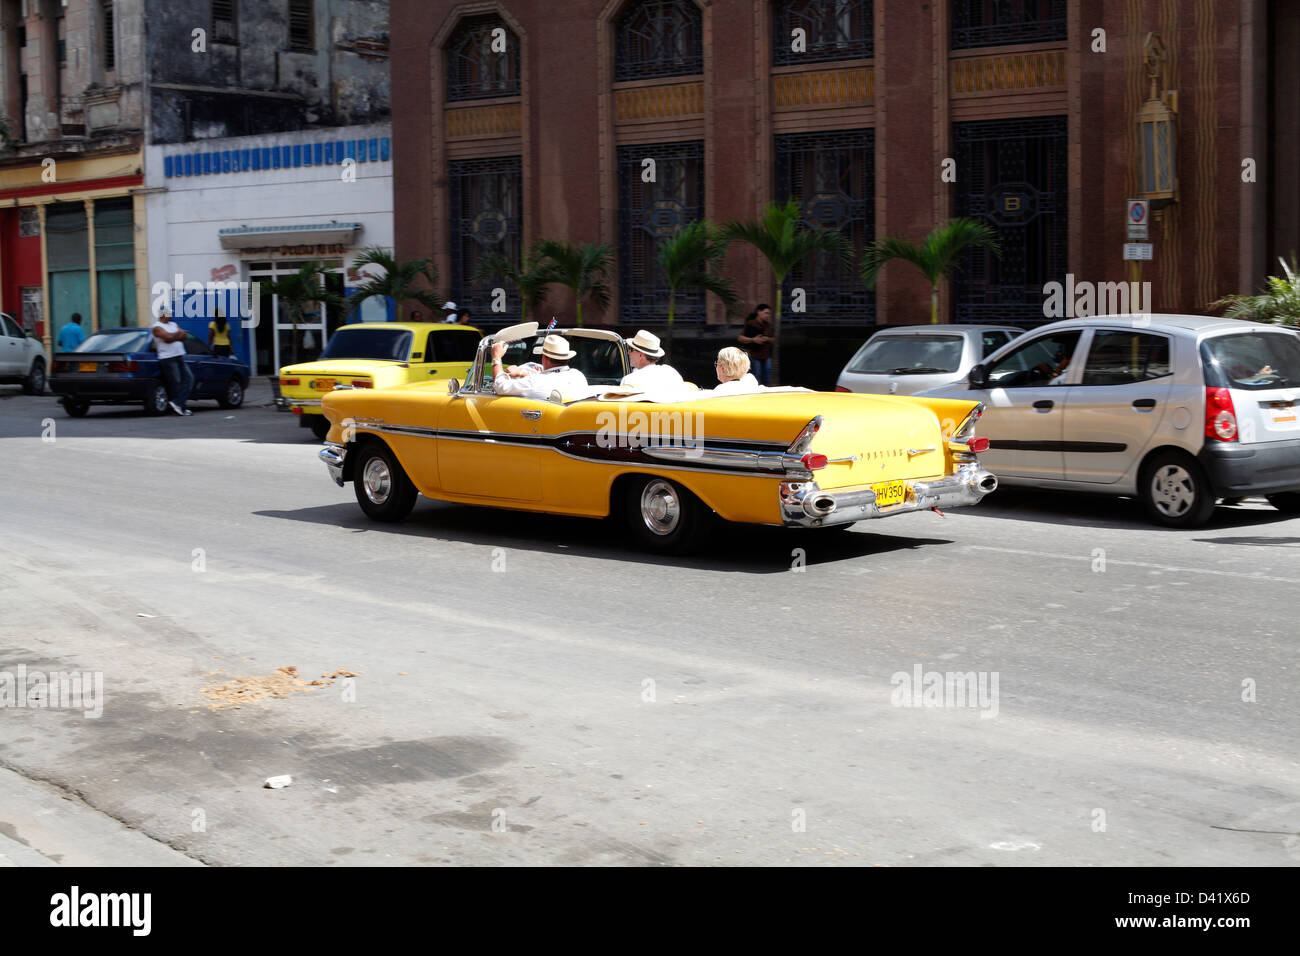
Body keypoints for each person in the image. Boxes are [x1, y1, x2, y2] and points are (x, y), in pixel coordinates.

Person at [490, 334, 587, 400]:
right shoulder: (578, 376)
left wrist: (496, 357)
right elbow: (551, 376)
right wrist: (522, 373)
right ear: (567, 358)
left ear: (544, 358)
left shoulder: (534, 382)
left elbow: (500, 386)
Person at [151, 307, 193, 415]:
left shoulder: (173, 324)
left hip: (179, 356)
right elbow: (167, 338)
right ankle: (180, 406)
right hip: (168, 358)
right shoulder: (157, 327)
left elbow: (184, 336)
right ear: (163, 314)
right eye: (169, 313)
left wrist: (175, 336)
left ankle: (178, 404)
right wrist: (177, 335)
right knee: (176, 382)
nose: (171, 315)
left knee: (189, 379)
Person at [738, 303, 773, 385]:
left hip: (767, 356)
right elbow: (740, 338)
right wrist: (753, 340)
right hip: (755, 356)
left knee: (767, 378)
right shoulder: (751, 324)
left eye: (769, 314)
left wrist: (767, 339)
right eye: (766, 313)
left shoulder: (767, 325)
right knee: (757, 377)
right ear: (759, 312)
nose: (768, 315)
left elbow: (773, 339)